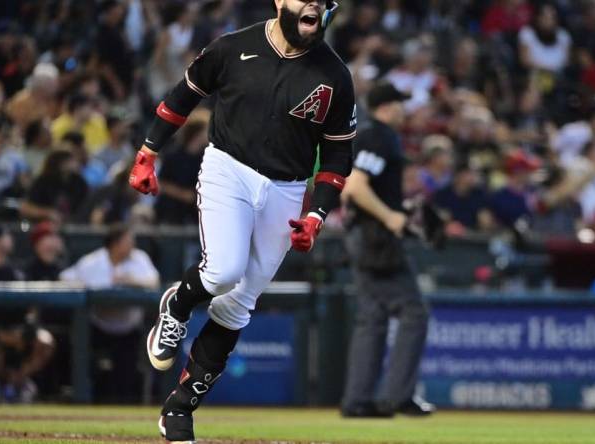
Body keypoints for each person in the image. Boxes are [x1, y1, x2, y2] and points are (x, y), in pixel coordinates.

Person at [128, 1, 356, 441]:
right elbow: (184, 95)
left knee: (240, 303)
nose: (313, 3)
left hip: (287, 189)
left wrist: (316, 212)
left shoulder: (335, 74)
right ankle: (177, 305)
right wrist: (148, 153)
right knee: (224, 269)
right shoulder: (233, 47)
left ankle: (180, 407)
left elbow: (338, 153)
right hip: (228, 167)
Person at [340, 82, 434, 418]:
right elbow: (355, 186)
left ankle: (359, 400)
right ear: (388, 106)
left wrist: (399, 207)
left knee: (372, 318)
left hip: (362, 235)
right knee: (414, 311)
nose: (403, 109)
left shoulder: (367, 135)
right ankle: (397, 396)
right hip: (375, 239)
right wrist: (390, 214)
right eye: (400, 103)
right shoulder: (379, 135)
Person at [60, 224, 159, 403]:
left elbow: (154, 281)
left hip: (129, 329)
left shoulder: (139, 259)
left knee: (127, 374)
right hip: (99, 326)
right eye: (128, 241)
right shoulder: (93, 261)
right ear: (115, 243)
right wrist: (86, 288)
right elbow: (65, 278)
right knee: (88, 366)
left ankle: (124, 410)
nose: (131, 245)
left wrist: (132, 281)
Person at [0, 227, 55, 403]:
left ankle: (16, 382)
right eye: (6, 236)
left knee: (45, 342)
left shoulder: (17, 272)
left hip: (19, 329)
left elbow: (31, 307)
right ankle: (2, 385)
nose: (10, 240)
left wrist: (26, 328)